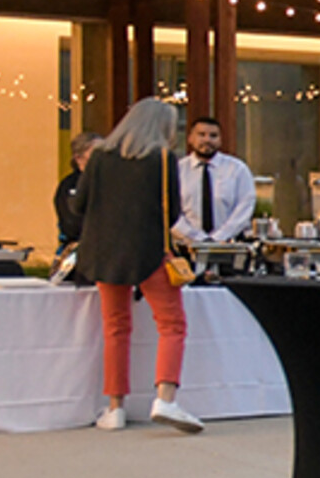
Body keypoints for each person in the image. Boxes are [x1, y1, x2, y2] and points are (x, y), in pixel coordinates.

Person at [74, 99, 201, 434]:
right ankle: (165, 398)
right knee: (171, 325)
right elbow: (171, 212)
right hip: (149, 253)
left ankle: (115, 408)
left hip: (105, 255)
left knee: (115, 328)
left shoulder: (99, 157)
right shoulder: (162, 159)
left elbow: (79, 204)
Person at [171, 114, 255, 246]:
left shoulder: (238, 169)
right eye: (201, 134)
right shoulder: (177, 170)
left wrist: (218, 238)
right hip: (185, 247)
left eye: (213, 136)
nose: (207, 140)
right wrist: (198, 238)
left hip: (228, 246)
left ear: (220, 140)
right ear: (190, 139)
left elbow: (244, 208)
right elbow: (171, 210)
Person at [53, 136, 97, 253]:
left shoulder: (111, 183)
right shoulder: (70, 186)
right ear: (79, 159)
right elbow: (71, 222)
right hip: (80, 250)